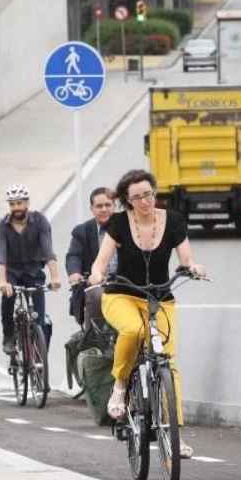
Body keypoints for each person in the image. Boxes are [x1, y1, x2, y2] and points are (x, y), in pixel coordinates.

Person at [89, 170, 206, 459]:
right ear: (128, 202)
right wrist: (95, 274)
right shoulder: (118, 223)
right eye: (137, 197)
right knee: (133, 331)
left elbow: (186, 256)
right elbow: (101, 260)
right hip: (122, 295)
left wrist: (193, 267)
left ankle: (173, 435)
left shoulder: (173, 220)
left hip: (159, 298)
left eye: (149, 194)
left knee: (168, 362)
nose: (145, 201)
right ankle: (119, 386)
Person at [0, 184, 62, 355]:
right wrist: (2, 281)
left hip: (33, 271)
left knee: (39, 318)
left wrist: (55, 277)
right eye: (12, 204)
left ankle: (39, 353)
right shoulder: (2, 226)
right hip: (11, 272)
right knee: (8, 298)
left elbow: (48, 251)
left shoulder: (39, 221)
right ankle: (8, 336)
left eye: (19, 203)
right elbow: (1, 255)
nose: (16, 208)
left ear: (27, 204)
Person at [66, 187, 116, 325]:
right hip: (96, 284)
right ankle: (93, 339)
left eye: (108, 205)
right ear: (92, 209)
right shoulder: (82, 231)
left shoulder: (128, 227)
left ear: (114, 206)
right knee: (96, 295)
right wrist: (75, 273)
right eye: (99, 206)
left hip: (124, 283)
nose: (104, 209)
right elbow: (73, 256)